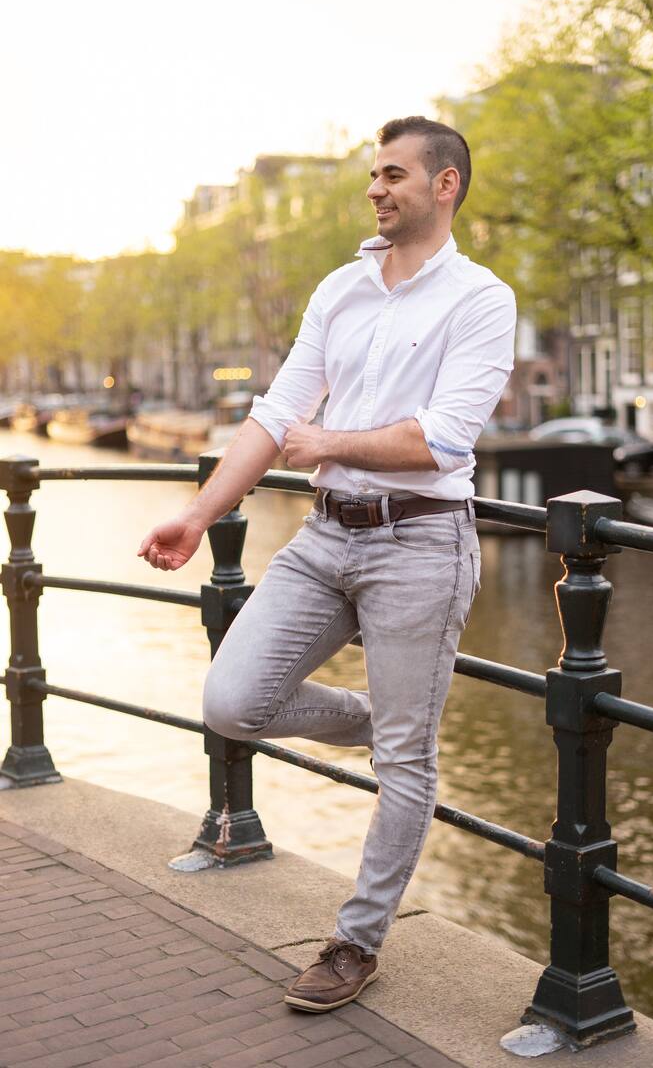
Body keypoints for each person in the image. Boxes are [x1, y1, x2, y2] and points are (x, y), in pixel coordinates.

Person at [138, 116, 516, 1012]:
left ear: (445, 185)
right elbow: (276, 415)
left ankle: (356, 943)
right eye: (373, 176)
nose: (376, 190)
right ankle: (391, 719)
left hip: (421, 541)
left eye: (393, 175)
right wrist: (198, 514)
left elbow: (444, 439)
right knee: (233, 702)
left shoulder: (481, 299)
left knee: (405, 764)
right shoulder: (340, 289)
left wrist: (327, 441)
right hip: (325, 537)